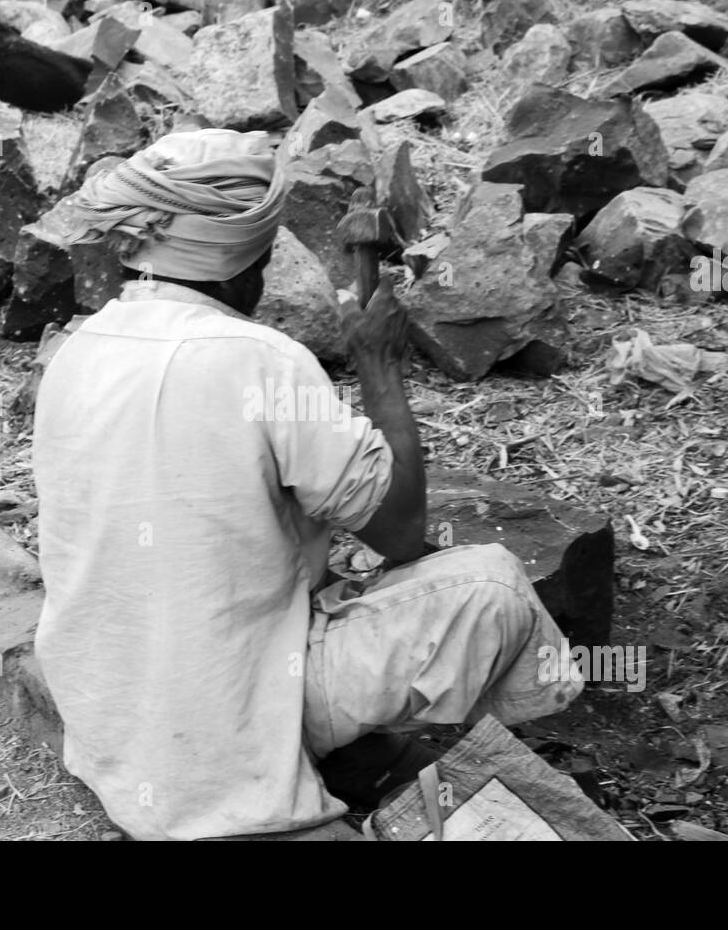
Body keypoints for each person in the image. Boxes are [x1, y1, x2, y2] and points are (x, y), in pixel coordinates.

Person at [31, 128, 583, 841]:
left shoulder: (79, 351)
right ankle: (487, 764)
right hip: (235, 718)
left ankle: (368, 752)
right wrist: (380, 369)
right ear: (243, 260)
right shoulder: (259, 359)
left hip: (107, 714)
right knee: (495, 586)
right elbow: (399, 536)